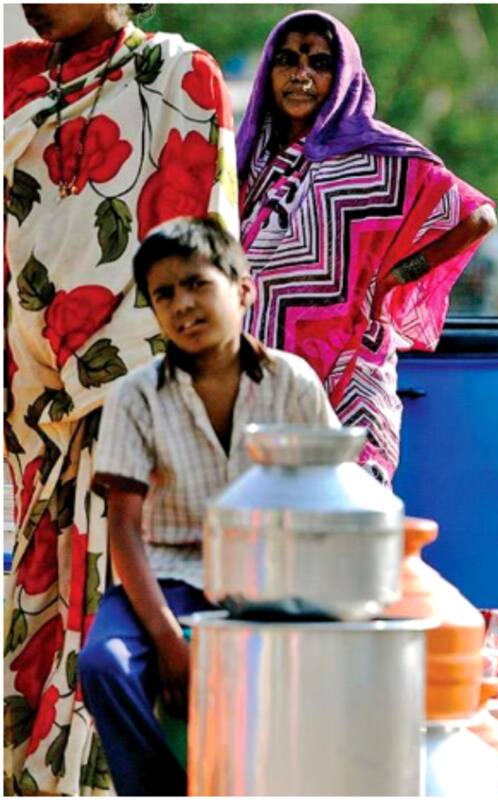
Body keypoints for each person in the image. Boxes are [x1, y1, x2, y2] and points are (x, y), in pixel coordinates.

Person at [4, 5, 237, 793]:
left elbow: (194, 244)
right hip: (39, 408)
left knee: (120, 625)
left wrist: (105, 377)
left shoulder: (181, 77)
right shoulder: (13, 87)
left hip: (137, 406)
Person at [77, 217, 338, 796]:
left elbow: (331, 498)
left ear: (244, 289)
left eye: (197, 284)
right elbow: (124, 526)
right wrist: (169, 642)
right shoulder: (135, 395)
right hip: (170, 576)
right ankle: (161, 791)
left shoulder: (292, 382)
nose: (182, 306)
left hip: (274, 576)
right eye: (164, 294)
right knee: (104, 666)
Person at [236, 9, 497, 483]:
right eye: (288, 60)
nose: (301, 75)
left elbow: (476, 216)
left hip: (349, 365)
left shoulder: (377, 157)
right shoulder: (250, 155)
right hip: (259, 366)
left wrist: (400, 275)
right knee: (264, 512)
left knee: (350, 506)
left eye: (320, 63)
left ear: (343, 77)